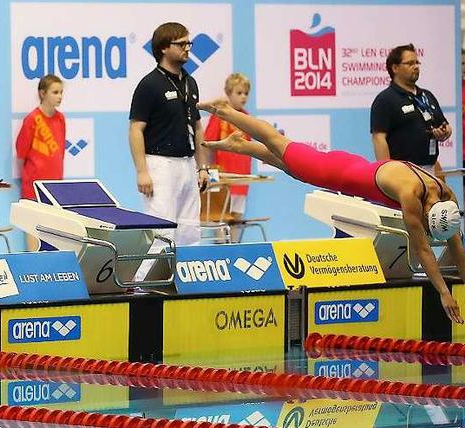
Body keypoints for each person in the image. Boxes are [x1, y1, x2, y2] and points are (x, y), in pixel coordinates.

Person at [199, 98, 464, 324]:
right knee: (278, 142)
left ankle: (240, 145)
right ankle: (223, 111)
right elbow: (423, 249)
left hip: (351, 166)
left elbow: (456, 243)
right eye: (430, 227)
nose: (428, 231)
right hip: (335, 172)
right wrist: (443, 292)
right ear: (429, 213)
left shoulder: (443, 195)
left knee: (292, 167)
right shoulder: (411, 197)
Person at [129, 22, 212, 278]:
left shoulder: (191, 83)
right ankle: (146, 284)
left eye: (189, 43)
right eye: (182, 44)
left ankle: (186, 280)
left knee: (190, 228)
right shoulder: (149, 85)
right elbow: (135, 130)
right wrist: (142, 171)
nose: (188, 48)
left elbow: (197, 127)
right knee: (162, 230)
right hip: (160, 165)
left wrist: (203, 166)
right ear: (164, 48)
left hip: (188, 164)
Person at [370, 44, 451, 173]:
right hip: (403, 171)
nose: (416, 67)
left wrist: (444, 131)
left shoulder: (427, 96)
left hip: (429, 168)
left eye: (417, 62)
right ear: (395, 68)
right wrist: (388, 173)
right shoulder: (385, 99)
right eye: (409, 63)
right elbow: (379, 138)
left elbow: (444, 125)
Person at [15, 74, 66, 251]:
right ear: (42, 93)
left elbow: (60, 152)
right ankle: (34, 261)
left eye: (61, 92)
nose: (59, 96)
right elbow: (21, 150)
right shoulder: (32, 119)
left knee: (53, 228)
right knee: (33, 225)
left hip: (54, 185)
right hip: (34, 184)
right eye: (55, 92)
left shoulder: (60, 119)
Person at [203, 73, 251, 242]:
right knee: (220, 215)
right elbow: (207, 144)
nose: (243, 97)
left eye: (246, 93)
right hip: (222, 176)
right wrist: (210, 173)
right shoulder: (219, 115)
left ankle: (235, 247)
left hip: (241, 178)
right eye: (239, 93)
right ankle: (222, 248)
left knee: (236, 216)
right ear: (228, 93)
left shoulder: (247, 118)